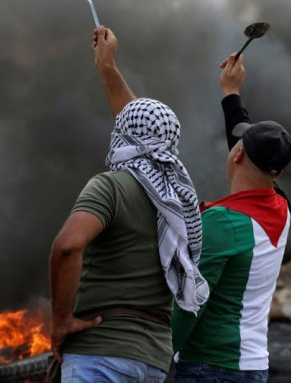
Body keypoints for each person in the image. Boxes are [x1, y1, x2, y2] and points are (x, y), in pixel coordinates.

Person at [49, 26, 208, 383]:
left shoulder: (110, 187)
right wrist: (107, 67)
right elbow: (141, 128)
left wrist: (61, 321)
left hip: (100, 355)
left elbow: (68, 247)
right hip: (153, 361)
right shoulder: (177, 198)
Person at [171, 53, 291, 383]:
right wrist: (231, 92)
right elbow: (243, 142)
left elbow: (190, 303)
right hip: (253, 366)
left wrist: (157, 354)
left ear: (238, 154)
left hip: (209, 367)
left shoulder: (224, 223)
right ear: (276, 172)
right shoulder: (282, 208)